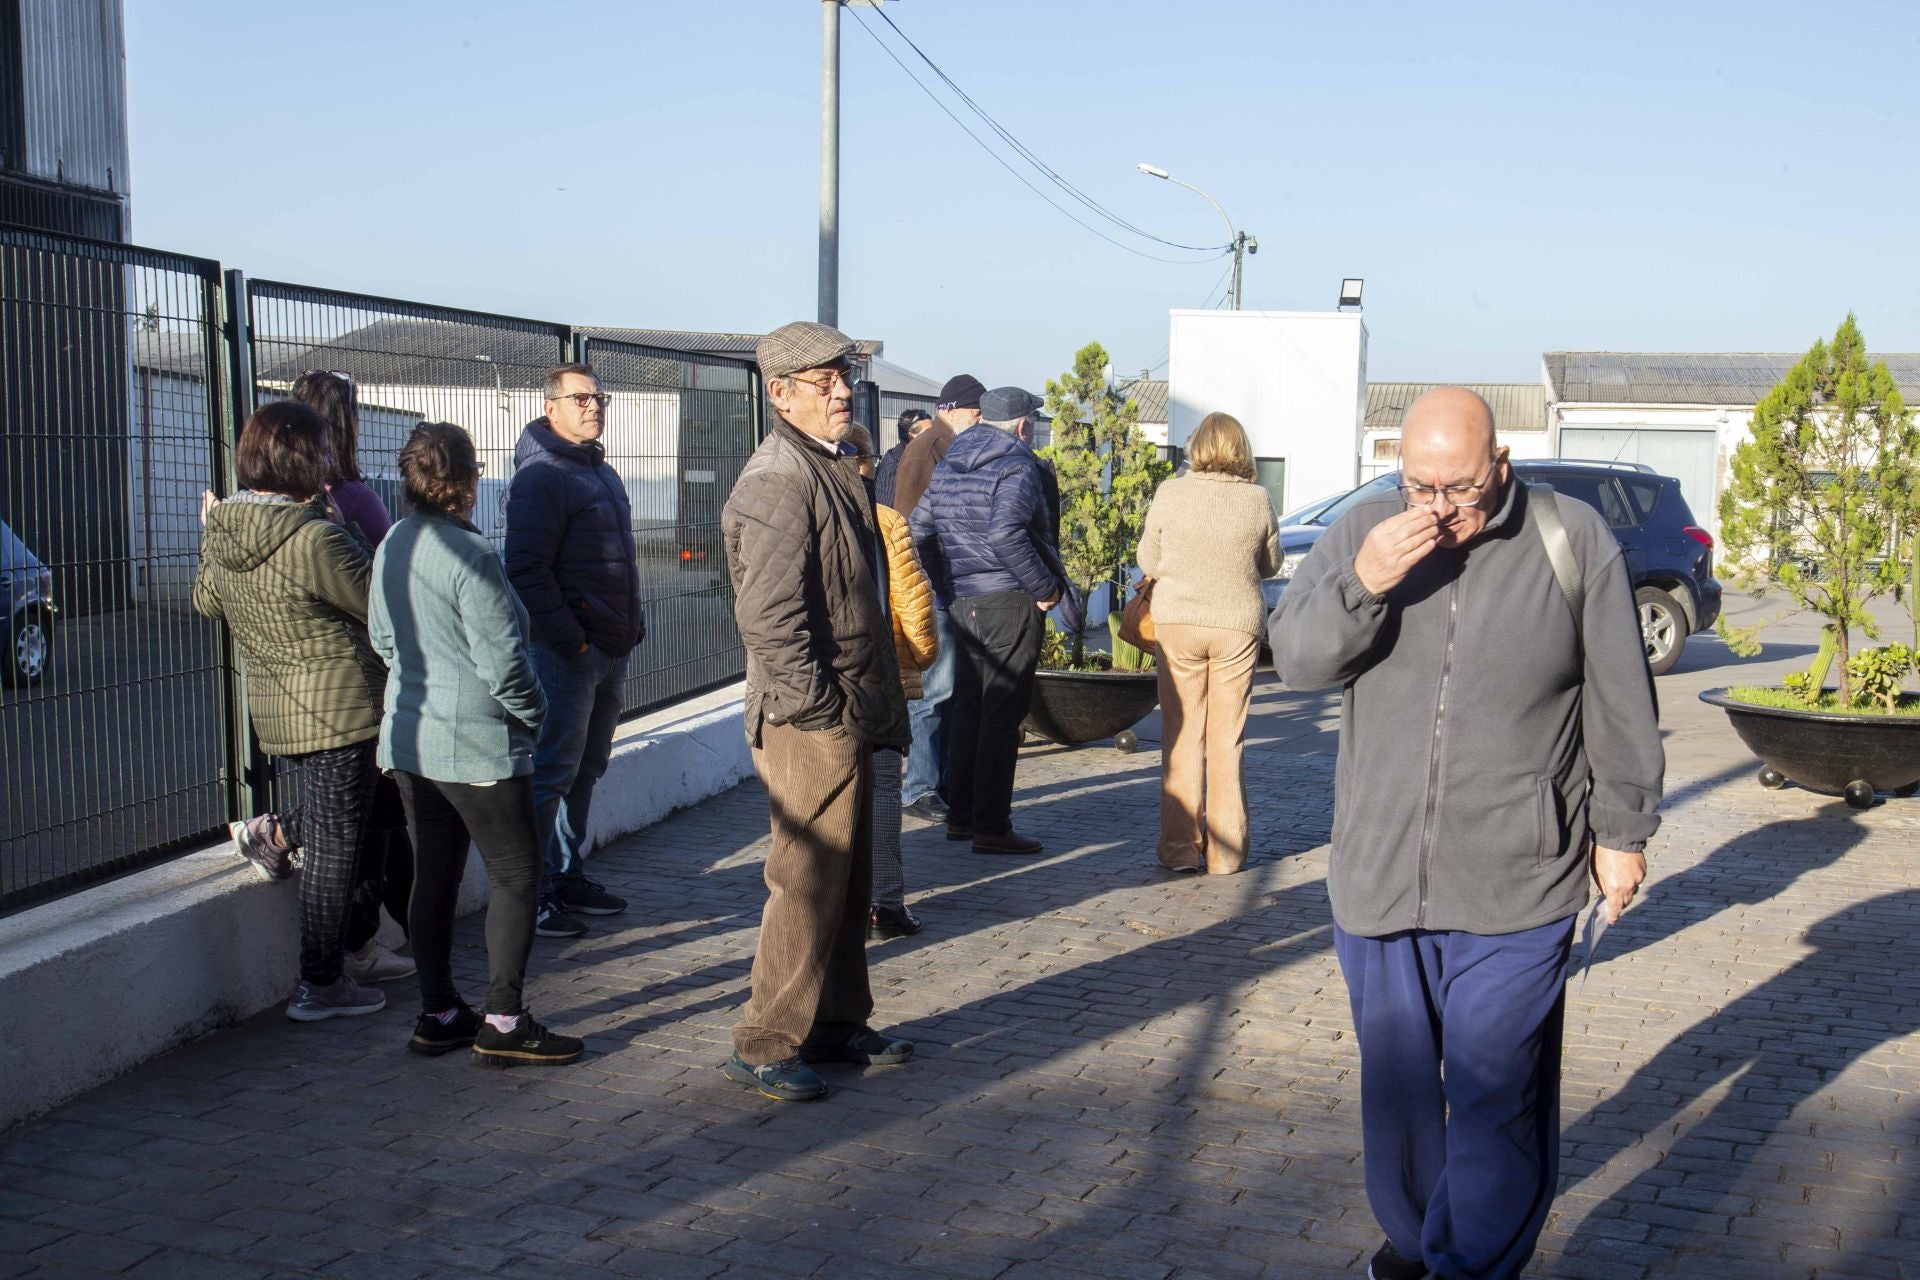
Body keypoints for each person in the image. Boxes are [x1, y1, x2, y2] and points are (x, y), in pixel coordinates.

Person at [1270, 387, 1663, 1280]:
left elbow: (1619, 697)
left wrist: (1623, 828)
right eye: (1418, 486)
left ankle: (1469, 1264)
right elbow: (1297, 663)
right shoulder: (1363, 534)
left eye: (1459, 488)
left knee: (1496, 1093)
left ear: (1500, 466)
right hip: (1378, 874)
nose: (1438, 509)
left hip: (1520, 877)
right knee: (1401, 1099)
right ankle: (1413, 1251)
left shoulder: (1570, 539)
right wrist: (1363, 581)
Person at [720, 321, 915, 1103]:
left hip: (846, 710)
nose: (843, 389)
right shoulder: (776, 479)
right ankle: (765, 1043)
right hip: (810, 720)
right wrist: (819, 712)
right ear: (779, 393)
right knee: (804, 881)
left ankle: (834, 1025)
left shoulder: (827, 464)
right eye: (823, 379)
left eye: (844, 374)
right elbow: (770, 621)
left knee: (847, 877)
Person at [368, 422, 582, 1067]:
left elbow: (382, 639)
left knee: (434, 875)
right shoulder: (472, 556)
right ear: (467, 481)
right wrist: (535, 716)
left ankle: (438, 1013)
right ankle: (504, 1019)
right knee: (519, 874)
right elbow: (505, 664)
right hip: (477, 745)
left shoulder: (394, 540)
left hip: (411, 738)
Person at [191, 401, 388, 1022]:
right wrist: (344, 525)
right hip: (344, 706)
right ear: (302, 456)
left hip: (281, 710)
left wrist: (208, 537)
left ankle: (272, 834)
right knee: (337, 839)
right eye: (324, 449)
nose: (331, 461)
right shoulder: (315, 537)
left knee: (359, 815)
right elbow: (376, 601)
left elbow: (205, 602)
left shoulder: (227, 531)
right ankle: (320, 981)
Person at [504, 363, 644, 940]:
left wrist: (627, 629)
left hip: (609, 648)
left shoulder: (599, 469)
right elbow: (526, 568)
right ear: (550, 407)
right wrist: (572, 637)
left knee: (586, 767)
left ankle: (565, 875)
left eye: (599, 397)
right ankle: (531, 894)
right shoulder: (543, 477)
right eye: (580, 398)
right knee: (552, 771)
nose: (593, 406)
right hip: (571, 654)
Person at [291, 370, 413, 986]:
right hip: (354, 689)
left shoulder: (287, 511)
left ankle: (360, 943)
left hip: (298, 692)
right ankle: (338, 962)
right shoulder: (346, 507)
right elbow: (386, 591)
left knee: (355, 821)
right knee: (360, 827)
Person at [911, 384, 1066, 856]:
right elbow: (1006, 533)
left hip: (964, 603)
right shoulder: (1018, 463)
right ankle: (992, 826)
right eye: (1034, 422)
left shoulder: (952, 461)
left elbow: (919, 530)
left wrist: (946, 584)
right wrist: (1045, 589)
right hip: (1008, 600)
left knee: (969, 711)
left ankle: (961, 817)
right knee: (1001, 717)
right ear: (1022, 425)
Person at [1136, 412, 1278, 875]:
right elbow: (1270, 563)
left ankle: (1179, 849)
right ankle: (1227, 852)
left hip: (1178, 620)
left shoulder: (1170, 492)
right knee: (1226, 737)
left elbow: (1148, 558)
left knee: (1181, 735)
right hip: (1237, 622)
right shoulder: (1257, 498)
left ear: (1196, 447)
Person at [844, 425, 938, 940]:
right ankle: (885, 904)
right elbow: (914, 604)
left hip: (835, 679)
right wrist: (919, 657)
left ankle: (843, 905)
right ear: (868, 464)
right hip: (885, 678)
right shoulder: (888, 522)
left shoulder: (818, 517)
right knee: (882, 794)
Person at [891, 375, 983, 823]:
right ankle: (919, 788)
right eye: (975, 409)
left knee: (948, 693)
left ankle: (940, 784)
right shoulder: (929, 449)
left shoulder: (948, 445)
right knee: (933, 691)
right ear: (952, 408)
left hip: (949, 587)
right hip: (933, 590)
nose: (980, 417)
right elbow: (910, 526)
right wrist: (931, 586)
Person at [874, 408, 930, 509]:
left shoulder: (922, 459)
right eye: (928, 433)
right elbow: (887, 513)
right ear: (911, 435)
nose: (934, 436)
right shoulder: (894, 466)